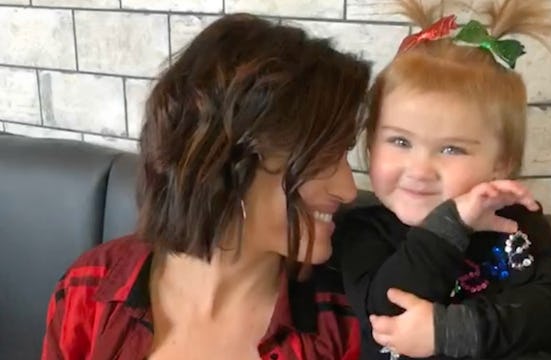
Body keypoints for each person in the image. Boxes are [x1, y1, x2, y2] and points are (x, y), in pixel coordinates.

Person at [41, 13, 371, 360]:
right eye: (324, 157)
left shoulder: (350, 323)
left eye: (345, 154)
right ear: (232, 164)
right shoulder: (90, 290)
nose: (348, 190)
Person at [332, 0, 551, 358]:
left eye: (451, 149)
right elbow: (385, 311)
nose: (419, 169)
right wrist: (449, 225)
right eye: (400, 141)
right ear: (370, 145)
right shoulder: (364, 230)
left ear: (502, 163)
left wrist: (454, 332)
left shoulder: (515, 221)